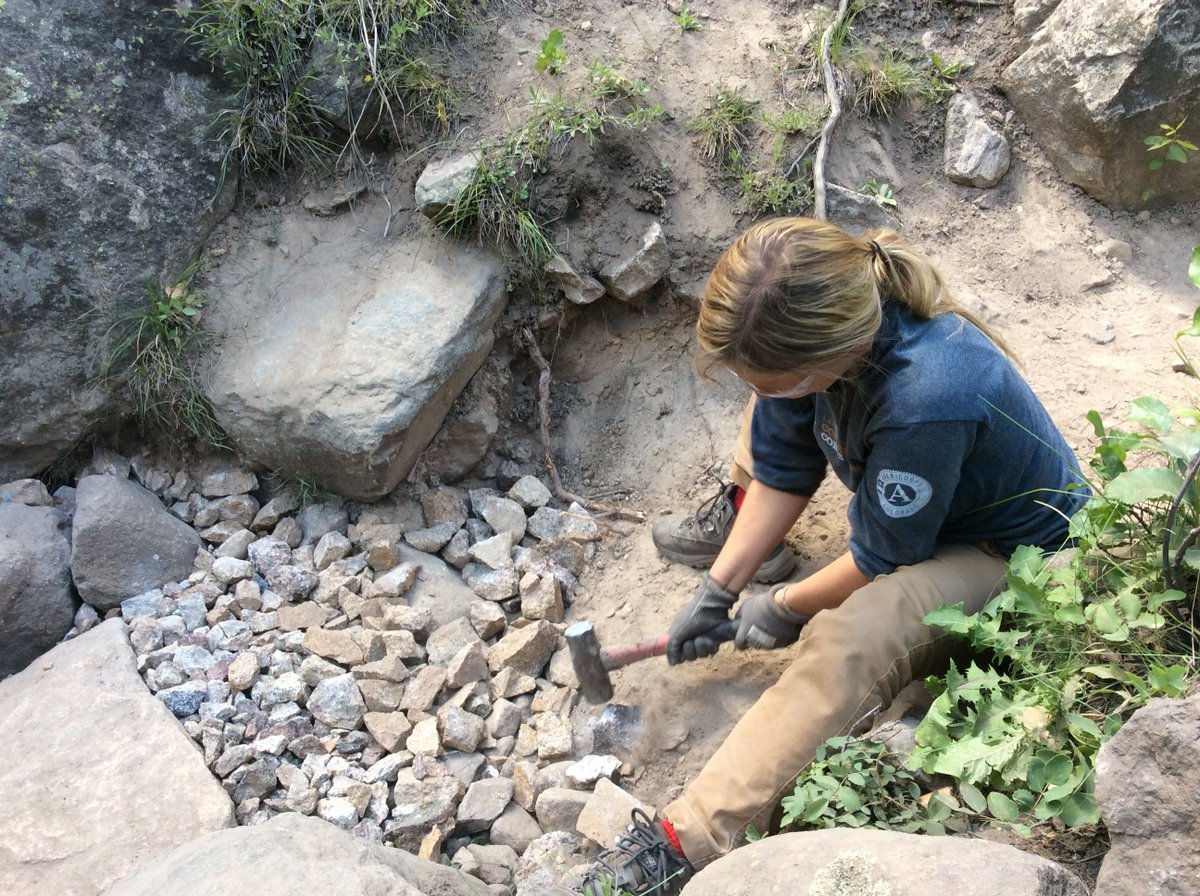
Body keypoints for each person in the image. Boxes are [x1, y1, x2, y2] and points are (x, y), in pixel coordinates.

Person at [574, 217, 1089, 895]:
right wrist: (721, 589)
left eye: (780, 378)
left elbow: (880, 559)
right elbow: (784, 469)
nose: (767, 389)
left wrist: (782, 605)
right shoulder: (813, 345)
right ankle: (733, 522)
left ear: (834, 353)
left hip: (1016, 554)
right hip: (907, 488)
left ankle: (686, 841)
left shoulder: (928, 396)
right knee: (763, 419)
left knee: (853, 633)